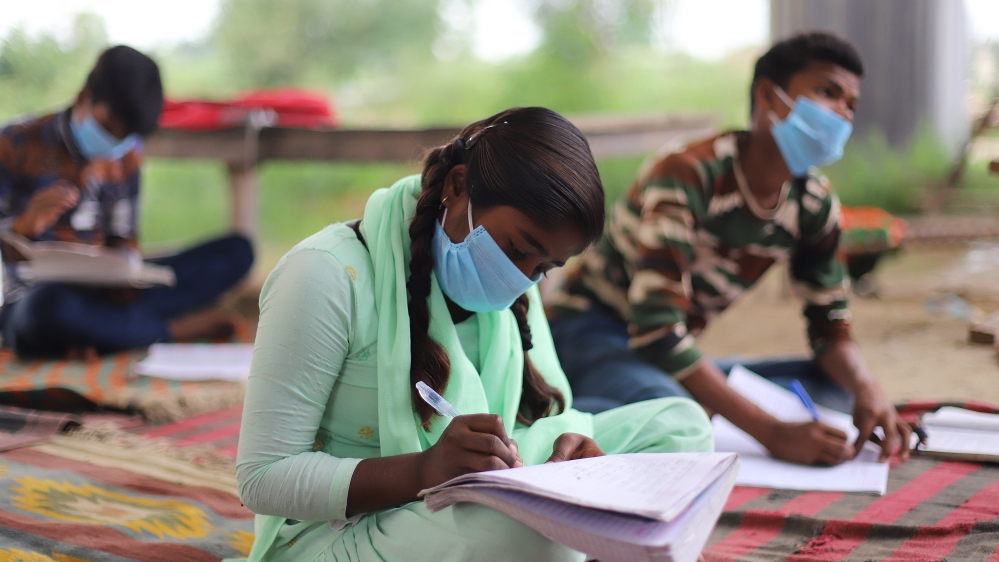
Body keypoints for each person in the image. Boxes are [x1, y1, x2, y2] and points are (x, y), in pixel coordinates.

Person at [234, 107, 712, 562]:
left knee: (682, 428)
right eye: (518, 249)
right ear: (457, 186)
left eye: (544, 267)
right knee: (524, 535)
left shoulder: (515, 291)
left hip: (472, 501)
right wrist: (423, 470)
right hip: (345, 530)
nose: (523, 277)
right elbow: (263, 478)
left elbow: (531, 427)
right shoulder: (325, 275)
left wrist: (571, 456)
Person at [549, 31, 912, 466]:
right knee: (680, 422)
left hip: (670, 353)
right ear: (768, 95)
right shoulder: (688, 172)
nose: (842, 113)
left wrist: (868, 388)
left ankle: (674, 398)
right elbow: (656, 330)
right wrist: (771, 432)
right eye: (827, 92)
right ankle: (564, 410)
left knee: (835, 390)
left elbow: (830, 330)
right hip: (593, 333)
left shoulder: (813, 203)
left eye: (851, 104)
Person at [0, 45, 253, 358]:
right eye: (108, 129)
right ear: (84, 97)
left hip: (104, 296)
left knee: (237, 252)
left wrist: (127, 270)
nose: (115, 143)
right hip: (36, 297)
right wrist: (23, 226)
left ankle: (106, 331)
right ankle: (167, 330)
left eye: (126, 136)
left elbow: (123, 237)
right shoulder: (15, 142)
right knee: (46, 310)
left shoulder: (128, 154)